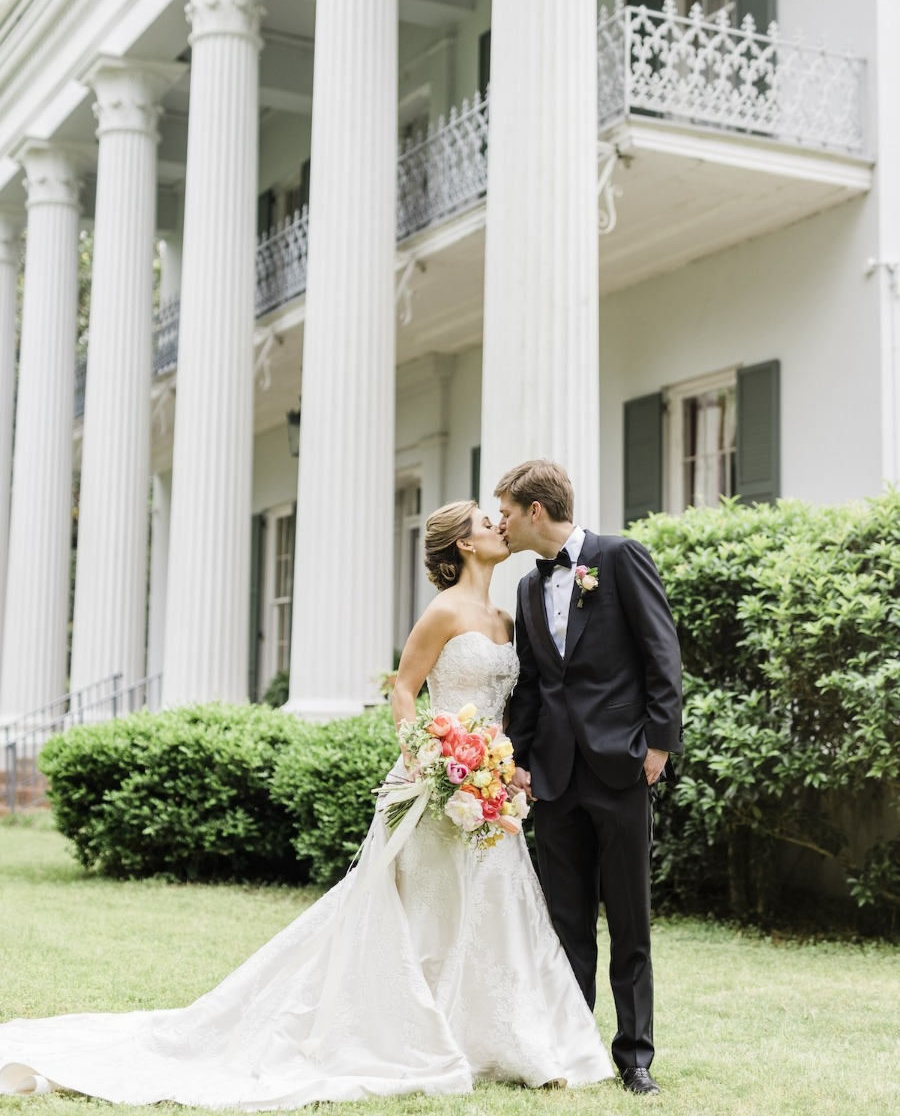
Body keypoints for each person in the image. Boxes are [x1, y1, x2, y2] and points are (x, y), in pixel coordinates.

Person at [0, 500, 613, 1109]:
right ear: (464, 545)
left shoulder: (506, 618)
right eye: (487, 522)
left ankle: (507, 1038)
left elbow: (506, 706)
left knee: (496, 902)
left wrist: (498, 767)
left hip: (488, 786)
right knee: (429, 908)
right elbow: (404, 689)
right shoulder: (443, 612)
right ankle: (416, 1030)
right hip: (434, 784)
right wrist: (426, 759)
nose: (499, 526)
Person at [495, 461, 683, 1097]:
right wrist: (519, 758)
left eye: (508, 512)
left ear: (537, 512)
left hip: (620, 763)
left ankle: (635, 1057)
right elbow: (531, 684)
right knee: (565, 921)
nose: (503, 523)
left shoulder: (620, 556)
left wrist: (658, 742)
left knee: (629, 918)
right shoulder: (525, 588)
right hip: (553, 774)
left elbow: (662, 654)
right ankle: (576, 1049)